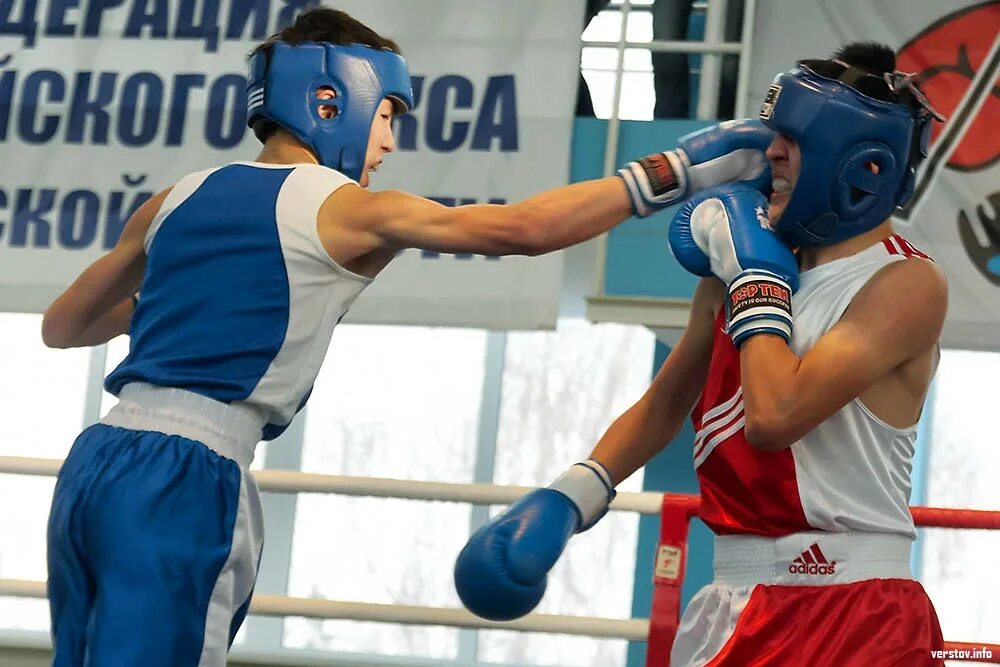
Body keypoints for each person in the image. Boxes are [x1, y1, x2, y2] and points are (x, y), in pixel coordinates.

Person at [39, 6, 775, 666]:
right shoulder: (347, 208)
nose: (389, 140)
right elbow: (520, 231)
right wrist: (673, 170)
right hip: (191, 472)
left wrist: (188, 297)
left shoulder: (176, 196)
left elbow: (64, 324)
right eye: (388, 113)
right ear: (334, 100)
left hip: (97, 462)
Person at [455, 42, 950, 666]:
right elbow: (669, 400)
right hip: (731, 600)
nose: (770, 153)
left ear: (854, 158)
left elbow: (774, 417)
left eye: (793, 140)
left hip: (852, 609)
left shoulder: (903, 284)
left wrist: (755, 277)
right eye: (774, 134)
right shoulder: (751, 261)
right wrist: (574, 494)